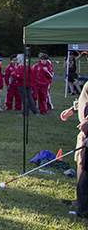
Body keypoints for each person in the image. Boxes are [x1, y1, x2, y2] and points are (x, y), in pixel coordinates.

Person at [60, 81, 88, 218]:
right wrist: (73, 109)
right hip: (84, 135)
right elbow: (85, 98)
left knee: (84, 173)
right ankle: (81, 203)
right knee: (81, 169)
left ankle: (84, 210)